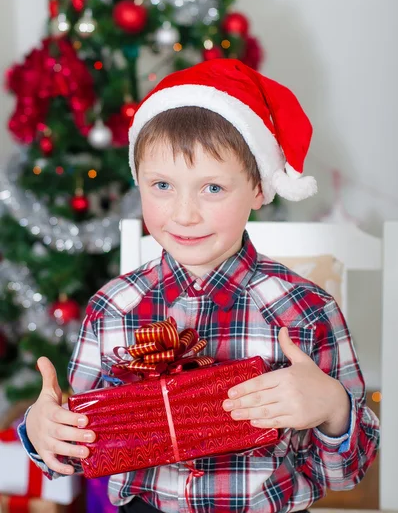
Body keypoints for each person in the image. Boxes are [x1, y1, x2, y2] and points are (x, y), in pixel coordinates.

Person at [19, 59, 379, 513]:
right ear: (139, 184)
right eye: (163, 185)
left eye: (212, 189)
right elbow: (74, 454)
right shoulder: (111, 308)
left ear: (258, 190)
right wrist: (43, 430)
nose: (184, 214)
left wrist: (332, 408)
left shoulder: (306, 311)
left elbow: (347, 471)